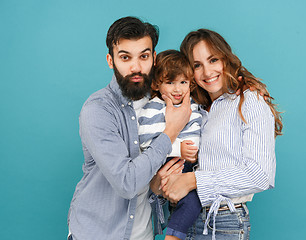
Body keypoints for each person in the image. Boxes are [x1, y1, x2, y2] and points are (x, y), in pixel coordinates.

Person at [67, 17, 191, 240]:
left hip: (143, 233)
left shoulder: (164, 100)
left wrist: (248, 89)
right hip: (98, 234)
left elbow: (208, 86)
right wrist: (171, 131)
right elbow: (127, 183)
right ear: (110, 61)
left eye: (143, 56)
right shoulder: (98, 110)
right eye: (125, 57)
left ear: (154, 58)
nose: (136, 67)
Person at [155, 29, 283, 240]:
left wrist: (193, 180)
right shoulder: (194, 109)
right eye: (197, 65)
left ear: (226, 59)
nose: (207, 72)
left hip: (222, 223)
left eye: (213, 60)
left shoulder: (249, 100)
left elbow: (260, 174)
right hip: (181, 219)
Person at [138, 50, 203, 240]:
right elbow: (147, 142)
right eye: (170, 82)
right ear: (156, 84)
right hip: (165, 163)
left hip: (188, 164)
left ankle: (173, 235)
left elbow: (196, 128)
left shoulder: (191, 104)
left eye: (183, 82)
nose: (177, 89)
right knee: (191, 202)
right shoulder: (153, 107)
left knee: (193, 201)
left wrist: (193, 152)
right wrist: (178, 149)